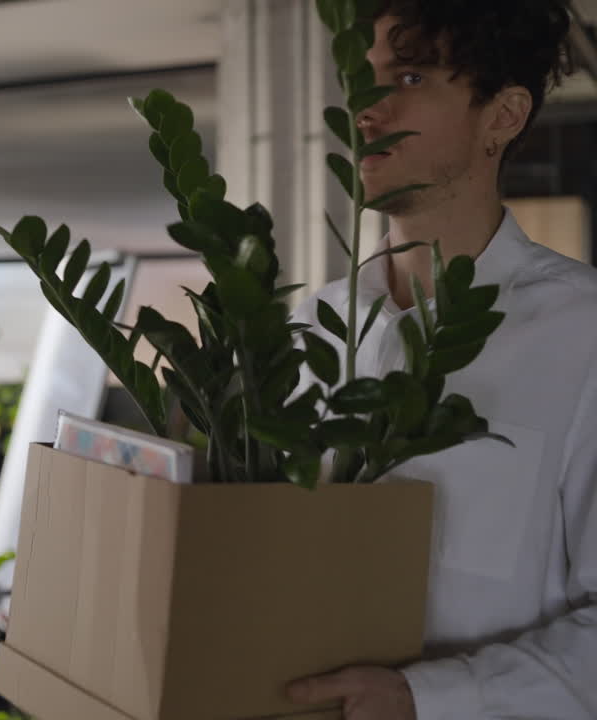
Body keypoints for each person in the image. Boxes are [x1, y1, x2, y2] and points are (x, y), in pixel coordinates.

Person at [284, 1, 597, 718]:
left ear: (503, 116)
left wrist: (428, 697)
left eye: (412, 76)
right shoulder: (314, 331)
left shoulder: (583, 335)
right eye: (362, 82)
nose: (366, 111)